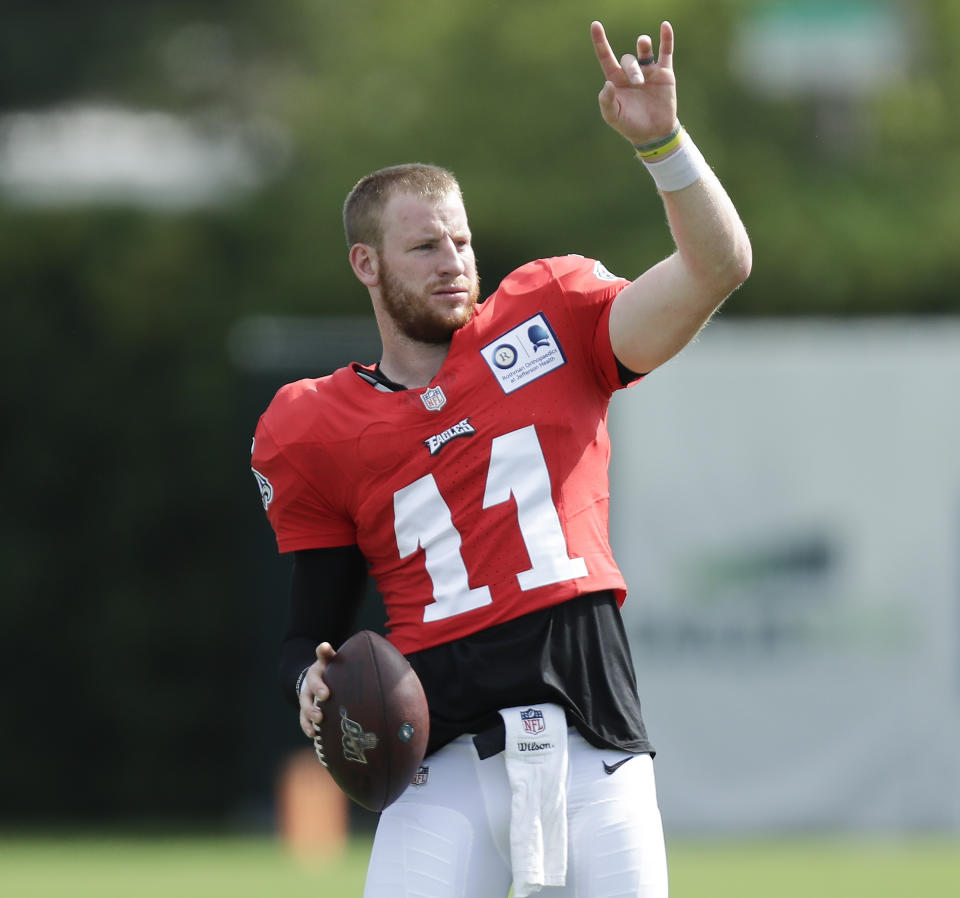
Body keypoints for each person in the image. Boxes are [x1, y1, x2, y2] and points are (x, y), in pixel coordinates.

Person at [251, 19, 750, 898]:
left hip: (597, 751)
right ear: (366, 265)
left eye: (462, 241)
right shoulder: (314, 425)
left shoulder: (548, 319)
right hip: (435, 770)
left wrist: (664, 146)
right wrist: (311, 684)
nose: (454, 263)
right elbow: (310, 632)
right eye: (424, 247)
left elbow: (718, 266)